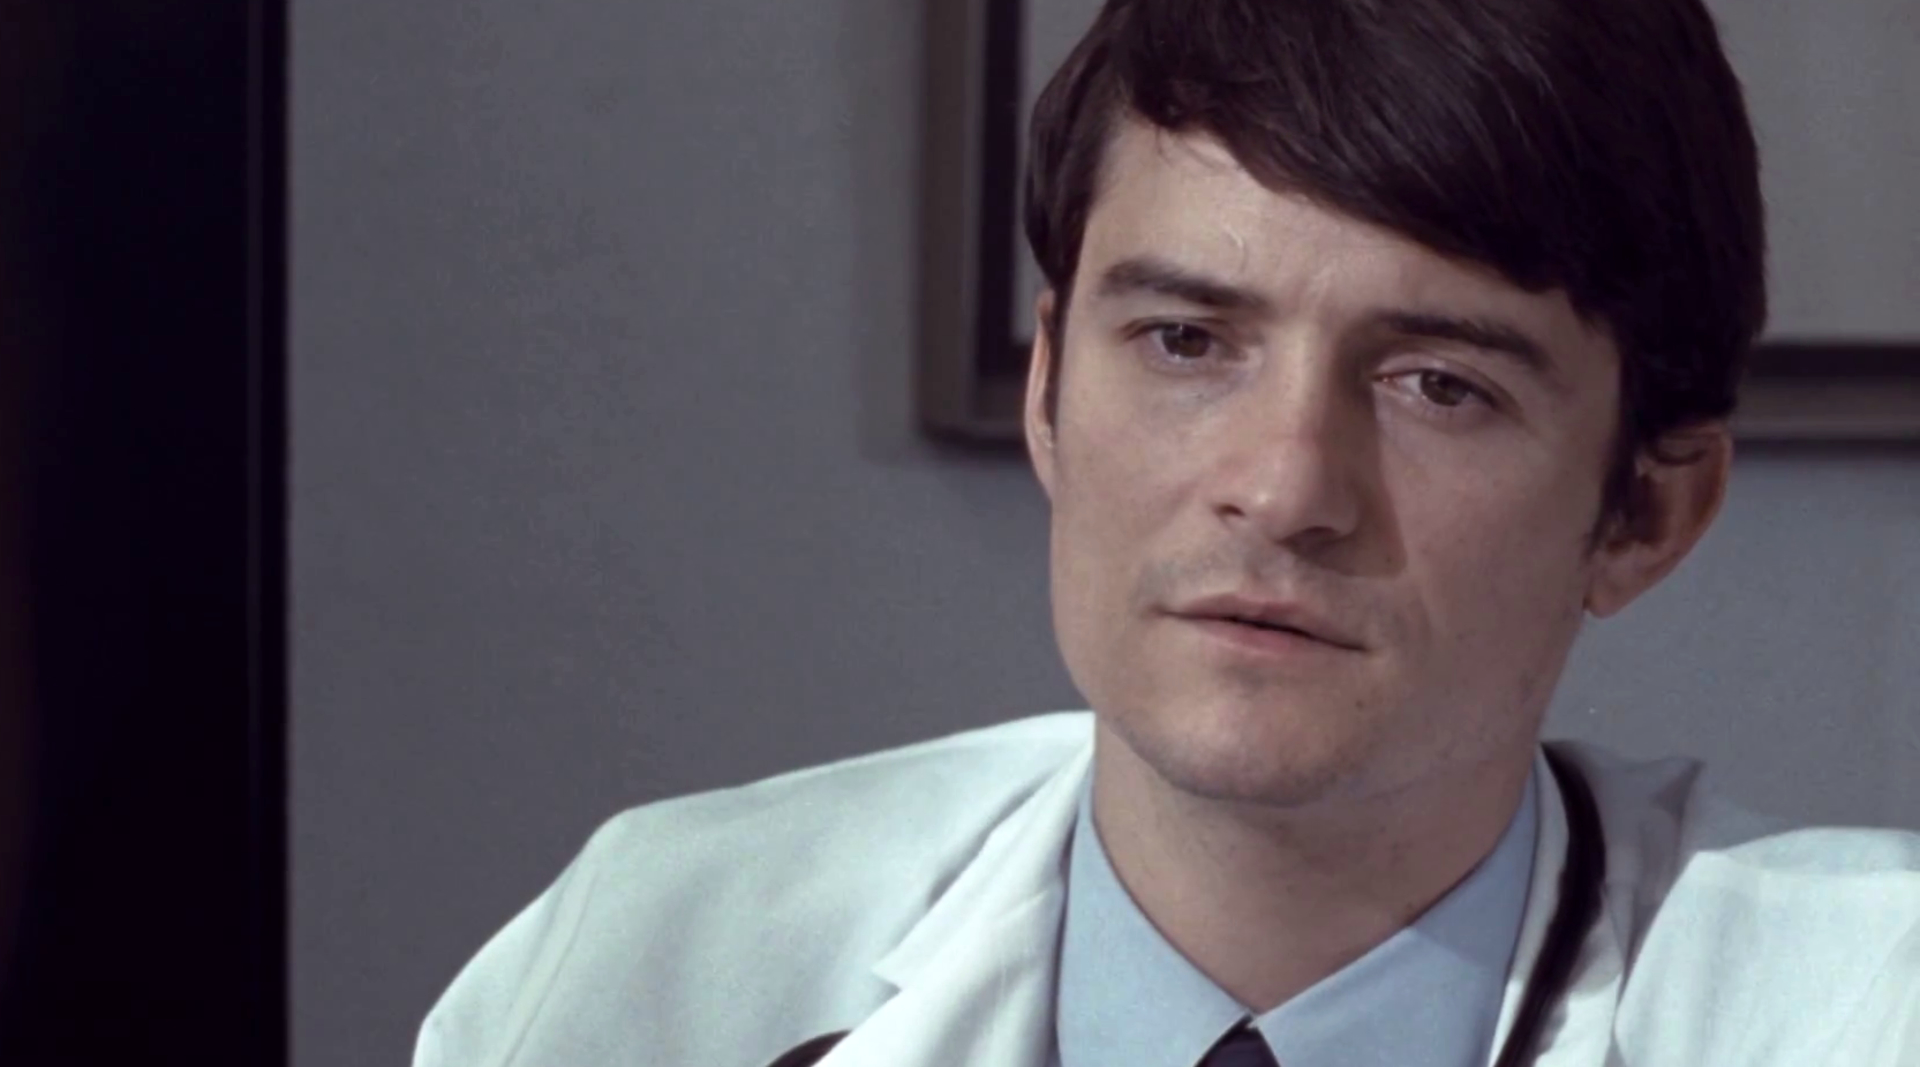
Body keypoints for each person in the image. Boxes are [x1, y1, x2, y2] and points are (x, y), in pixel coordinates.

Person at [413, 1, 1920, 1064]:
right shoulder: (651, 964)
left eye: (1438, 384)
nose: (1284, 488)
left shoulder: (1871, 1006)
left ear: (1647, 512)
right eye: (1189, 342)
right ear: (1051, 391)